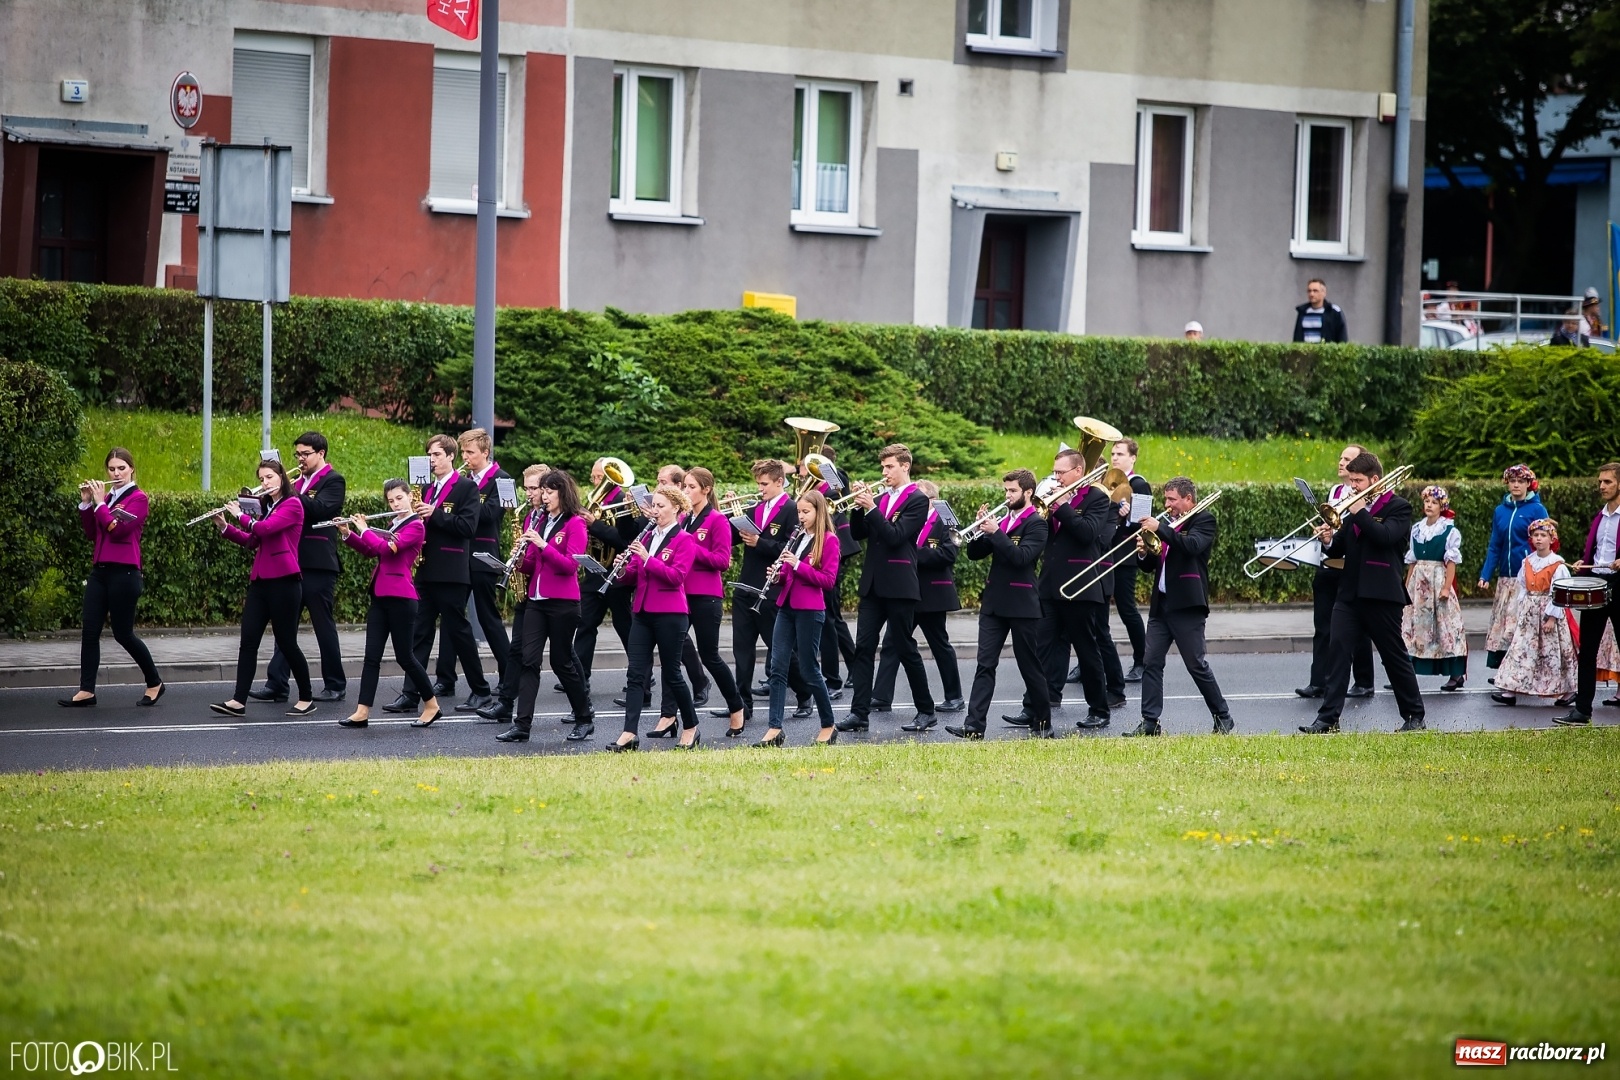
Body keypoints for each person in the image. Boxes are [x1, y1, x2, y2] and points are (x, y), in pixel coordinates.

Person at [1301, 452, 1425, 734]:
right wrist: (1329, 539)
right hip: (1349, 593)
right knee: (1338, 653)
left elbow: (1386, 538)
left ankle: (1415, 716)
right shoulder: (1355, 510)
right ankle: (1327, 719)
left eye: (1358, 480)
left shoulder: (1398, 507)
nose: (1353, 486)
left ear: (1375, 480)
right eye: (1352, 480)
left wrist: (1360, 513)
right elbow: (1341, 546)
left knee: (1393, 656)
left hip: (1382, 593)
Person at [1006, 447, 1114, 730]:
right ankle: (1033, 708)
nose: (1056, 478)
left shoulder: (1097, 498)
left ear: (1078, 472)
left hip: (1080, 585)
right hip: (1050, 584)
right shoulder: (1052, 497)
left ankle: (1099, 709)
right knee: (1039, 648)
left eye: (1060, 473)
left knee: (1087, 650)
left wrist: (1063, 507)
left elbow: (1088, 534)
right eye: (1054, 472)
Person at [382, 435, 487, 713]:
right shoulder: (427, 489)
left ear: (451, 456)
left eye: (437, 455)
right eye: (429, 455)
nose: (432, 460)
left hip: (452, 571)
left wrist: (436, 514)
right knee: (418, 633)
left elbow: (468, 528)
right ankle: (410, 693)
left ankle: (481, 691)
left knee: (459, 632)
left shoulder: (466, 488)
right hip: (426, 569)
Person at [837, 444, 937, 733]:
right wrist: (859, 507)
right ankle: (859, 714)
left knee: (904, 647)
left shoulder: (917, 500)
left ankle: (926, 711)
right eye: (882, 467)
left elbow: (895, 537)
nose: (884, 472)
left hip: (900, 584)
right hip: (873, 585)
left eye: (889, 466)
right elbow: (858, 533)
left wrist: (871, 509)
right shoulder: (880, 498)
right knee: (863, 648)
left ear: (905, 466)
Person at [1124, 477, 1233, 736]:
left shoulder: (1203, 520)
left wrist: (1160, 528)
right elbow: (1151, 566)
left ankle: (1222, 715)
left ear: (1188, 499)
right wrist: (1143, 552)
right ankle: (1150, 722)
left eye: (1172, 499)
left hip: (1187, 604)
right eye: (1166, 499)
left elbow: (1192, 546)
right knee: (1151, 662)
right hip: (1161, 605)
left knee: (1195, 664)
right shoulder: (1169, 526)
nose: (1168, 504)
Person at [946, 470, 1050, 739]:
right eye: (1005, 491)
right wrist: (981, 530)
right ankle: (974, 726)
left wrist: (998, 532)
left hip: (1023, 604)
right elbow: (973, 553)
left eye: (1012, 491)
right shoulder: (1002, 521)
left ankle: (1042, 721)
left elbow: (1021, 558)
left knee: (1029, 665)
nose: (1007, 496)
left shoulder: (1037, 524)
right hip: (994, 604)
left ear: (1027, 493)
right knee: (985, 664)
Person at [208, 459, 315, 718]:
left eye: (269, 477)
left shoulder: (293, 504)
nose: (264, 483)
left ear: (281, 477)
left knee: (287, 642)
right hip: (260, 582)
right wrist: (225, 527)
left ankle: (306, 697)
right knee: (248, 642)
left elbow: (265, 529)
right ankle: (238, 700)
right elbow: (253, 539)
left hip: (285, 582)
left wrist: (240, 515)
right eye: (261, 479)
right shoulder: (268, 508)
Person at [60, 448, 164, 708]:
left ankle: (155, 682)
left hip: (125, 572)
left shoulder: (138, 499)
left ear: (132, 469)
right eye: (111, 469)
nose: (116, 473)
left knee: (123, 634)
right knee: (90, 630)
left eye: (121, 468)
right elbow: (93, 534)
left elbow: (117, 532)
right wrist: (87, 503)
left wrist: (100, 504)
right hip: (100, 572)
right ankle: (86, 690)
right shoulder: (105, 498)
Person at [498, 469, 595, 744]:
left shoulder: (575, 524)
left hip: (563, 602)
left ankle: (584, 718)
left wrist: (542, 545)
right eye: (543, 491)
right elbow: (532, 565)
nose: (544, 496)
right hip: (536, 601)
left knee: (562, 662)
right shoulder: (537, 519)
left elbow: (570, 566)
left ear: (563, 493)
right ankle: (521, 725)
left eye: (550, 491)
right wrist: (517, 561)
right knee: (529, 661)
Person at [334, 480, 440, 729]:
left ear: (409, 498)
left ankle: (432, 704)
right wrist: (347, 533)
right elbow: (373, 551)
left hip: (402, 598)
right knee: (371, 656)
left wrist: (363, 528)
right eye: (391, 501)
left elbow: (385, 548)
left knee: (405, 657)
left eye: (399, 498)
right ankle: (362, 711)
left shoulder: (415, 526)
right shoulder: (394, 524)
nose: (395, 504)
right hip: (380, 596)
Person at [252, 431, 346, 704]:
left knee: (322, 625)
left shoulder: (333, 480)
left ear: (321, 453)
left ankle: (335, 683)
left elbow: (320, 509)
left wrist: (287, 491)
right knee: (284, 626)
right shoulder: (298, 483)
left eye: (305, 454)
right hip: (291, 564)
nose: (301, 459)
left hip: (318, 564)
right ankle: (277, 683)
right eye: (297, 455)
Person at [608, 485, 703, 751]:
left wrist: (647, 559)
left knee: (672, 674)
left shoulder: (684, 539)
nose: (656, 510)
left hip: (671, 613)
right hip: (642, 612)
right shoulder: (648, 537)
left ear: (676, 508)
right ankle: (628, 733)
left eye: (661, 506)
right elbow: (636, 574)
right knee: (635, 674)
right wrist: (621, 570)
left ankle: (691, 726)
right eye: (654, 506)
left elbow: (676, 577)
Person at [872, 479, 965, 721]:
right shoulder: (908, 519)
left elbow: (947, 554)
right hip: (906, 591)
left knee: (939, 644)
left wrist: (911, 554)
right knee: (892, 642)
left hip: (932, 594)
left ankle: (954, 696)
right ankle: (881, 696)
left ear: (931, 500)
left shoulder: (946, 521)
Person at [756, 490, 842, 747]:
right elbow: (789, 576)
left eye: (806, 512)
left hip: (810, 609)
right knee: (777, 668)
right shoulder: (799, 538)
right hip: (787, 606)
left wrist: (796, 565)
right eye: (799, 512)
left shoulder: (829, 540)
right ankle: (774, 728)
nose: (801, 517)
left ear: (819, 512)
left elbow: (827, 581)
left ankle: (828, 724)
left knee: (808, 668)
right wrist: (778, 574)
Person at [667, 468, 748, 737]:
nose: (685, 491)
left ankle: (737, 707)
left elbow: (722, 561)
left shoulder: (717, 520)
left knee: (710, 656)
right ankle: (669, 716)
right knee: (672, 653)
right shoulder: (683, 518)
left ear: (706, 490)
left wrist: (690, 545)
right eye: (684, 486)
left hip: (706, 596)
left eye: (691, 487)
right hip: (680, 593)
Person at [730, 459, 812, 724]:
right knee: (741, 651)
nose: (760, 488)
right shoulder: (754, 508)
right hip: (746, 587)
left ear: (780, 482)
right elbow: (731, 539)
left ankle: (804, 693)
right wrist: (729, 513)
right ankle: (742, 705)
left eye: (764, 484)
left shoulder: (792, 510)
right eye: (758, 484)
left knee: (780, 650)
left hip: (772, 589)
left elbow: (791, 550)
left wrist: (759, 542)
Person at [432, 428, 508, 714]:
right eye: (462, 453)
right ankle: (445, 678)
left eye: (470, 453)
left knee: (488, 618)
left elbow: (490, 515)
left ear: (485, 453)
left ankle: (508, 675)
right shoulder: (463, 481)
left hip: (484, 554)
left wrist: (466, 499)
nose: (465, 458)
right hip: (458, 556)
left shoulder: (501, 480)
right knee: (453, 617)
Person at [1297, 444, 1375, 700]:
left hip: (1351, 566)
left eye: (1348, 459)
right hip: (1329, 562)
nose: (1342, 462)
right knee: (1322, 625)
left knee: (1359, 627)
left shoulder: (1368, 493)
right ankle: (1318, 680)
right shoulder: (1335, 490)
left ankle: (1364, 681)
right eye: (1341, 458)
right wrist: (1325, 533)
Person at [477, 463, 551, 723]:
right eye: (526, 488)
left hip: (552, 595)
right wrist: (517, 561)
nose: (528, 493)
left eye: (534, 488)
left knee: (564, 657)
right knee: (517, 649)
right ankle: (506, 703)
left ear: (547, 489)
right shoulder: (531, 516)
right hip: (529, 591)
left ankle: (582, 706)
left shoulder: (558, 518)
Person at [1558, 462, 1620, 726]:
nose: (1602, 486)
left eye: (1607, 482)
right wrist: (1583, 566)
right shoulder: (1600, 516)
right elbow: (1595, 552)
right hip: (1597, 583)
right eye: (1600, 482)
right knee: (1588, 650)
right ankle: (1582, 710)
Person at [1491, 518, 1577, 709]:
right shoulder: (1528, 561)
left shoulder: (1558, 565)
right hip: (1530, 613)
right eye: (1535, 535)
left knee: (1552, 652)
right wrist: (1522, 607)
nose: (1538, 539)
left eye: (1543, 535)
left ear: (1551, 539)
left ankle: (1568, 690)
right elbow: (1522, 586)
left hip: (1548, 612)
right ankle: (1510, 689)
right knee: (1520, 649)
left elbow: (1561, 593)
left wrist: (1552, 617)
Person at [575, 457, 642, 698]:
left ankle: (642, 677)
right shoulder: (594, 500)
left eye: (598, 477)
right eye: (594, 476)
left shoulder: (622, 501)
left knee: (624, 626)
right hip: (594, 573)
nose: (594, 481)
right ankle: (580, 677)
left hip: (617, 575)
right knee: (584, 625)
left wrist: (594, 525)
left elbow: (626, 541)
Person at [1478, 464, 1546, 673]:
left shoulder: (1536, 509)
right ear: (1507, 484)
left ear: (1528, 484)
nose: (1516, 485)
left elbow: (1545, 542)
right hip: (1505, 579)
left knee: (1521, 625)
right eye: (1512, 481)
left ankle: (1524, 669)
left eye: (1521, 481)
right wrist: (1486, 574)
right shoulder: (1500, 511)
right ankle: (1506, 671)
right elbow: (1495, 545)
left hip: (1527, 578)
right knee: (1504, 626)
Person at [1400, 486, 1468, 692]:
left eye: (1434, 502)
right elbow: (1412, 560)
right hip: (1419, 582)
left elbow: (1451, 562)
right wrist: (1406, 585)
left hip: (1438, 579)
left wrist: (1447, 588)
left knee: (1444, 626)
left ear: (1442, 506)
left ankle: (1455, 674)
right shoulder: (1417, 529)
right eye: (1427, 501)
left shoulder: (1449, 530)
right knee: (1414, 625)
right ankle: (1406, 672)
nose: (1429, 505)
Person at [1109, 438, 1152, 683]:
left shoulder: (1138, 483)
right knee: (1095, 610)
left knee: (1126, 608)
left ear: (1132, 458)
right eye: (1113, 453)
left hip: (1125, 553)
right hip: (1105, 549)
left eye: (1120, 454)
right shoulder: (1110, 481)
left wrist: (1125, 518)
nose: (1115, 457)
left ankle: (1142, 660)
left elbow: (1144, 521)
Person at [1292, 278, 1348, 344]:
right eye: (1309, 291)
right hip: (1306, 353)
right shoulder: (1303, 312)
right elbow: (1297, 337)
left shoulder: (1334, 312)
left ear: (1324, 293)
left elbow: (1342, 337)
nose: (1311, 294)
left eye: (1315, 291)